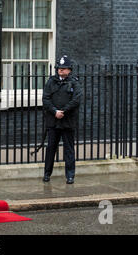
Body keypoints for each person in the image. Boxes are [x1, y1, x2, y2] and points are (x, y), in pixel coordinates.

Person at [42, 55, 82, 184]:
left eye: (64, 68)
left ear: (69, 70)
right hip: (53, 120)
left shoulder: (74, 82)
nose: (61, 70)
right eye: (59, 68)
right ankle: (47, 173)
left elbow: (76, 100)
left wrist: (63, 111)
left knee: (69, 149)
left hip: (67, 120)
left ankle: (70, 175)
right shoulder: (51, 81)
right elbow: (45, 99)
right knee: (51, 148)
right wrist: (55, 111)